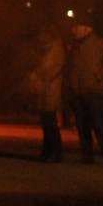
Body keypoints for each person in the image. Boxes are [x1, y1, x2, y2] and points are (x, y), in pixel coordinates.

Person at [65, 19, 103, 164]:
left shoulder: (100, 45)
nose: (74, 30)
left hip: (94, 92)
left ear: (87, 29)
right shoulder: (74, 46)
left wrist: (98, 76)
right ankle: (87, 156)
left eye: (77, 27)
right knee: (82, 126)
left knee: (98, 125)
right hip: (78, 92)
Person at [26, 26, 65, 163]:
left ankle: (55, 152)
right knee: (47, 123)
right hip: (45, 91)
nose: (40, 39)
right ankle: (48, 151)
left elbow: (50, 71)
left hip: (51, 92)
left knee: (50, 124)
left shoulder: (56, 51)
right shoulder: (47, 50)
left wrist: (36, 75)